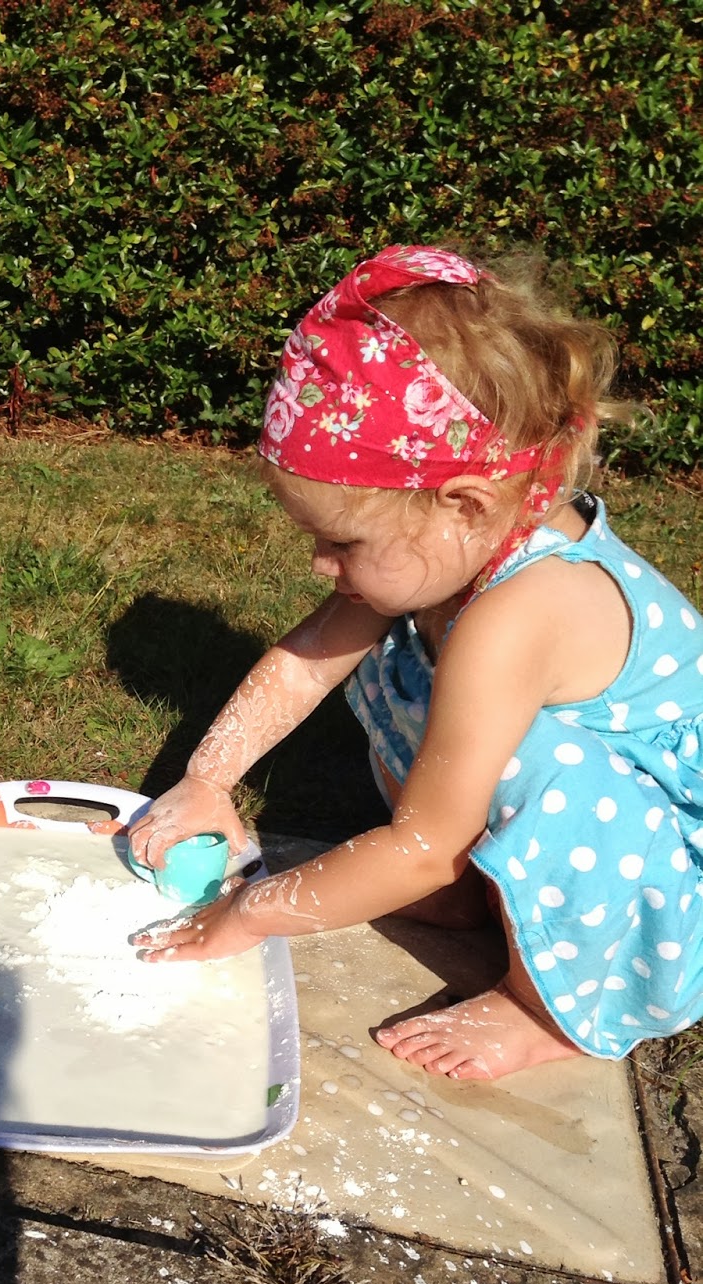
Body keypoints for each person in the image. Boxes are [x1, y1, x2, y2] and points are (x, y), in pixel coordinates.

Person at [126, 244, 703, 1081]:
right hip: (590, 826)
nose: (321, 565)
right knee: (402, 668)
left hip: (669, 875)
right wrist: (208, 779)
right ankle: (487, 897)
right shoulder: (454, 548)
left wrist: (248, 915)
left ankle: (545, 1010)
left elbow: (424, 843)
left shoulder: (524, 610)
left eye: (341, 540)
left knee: (535, 761)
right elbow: (304, 663)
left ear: (462, 503)